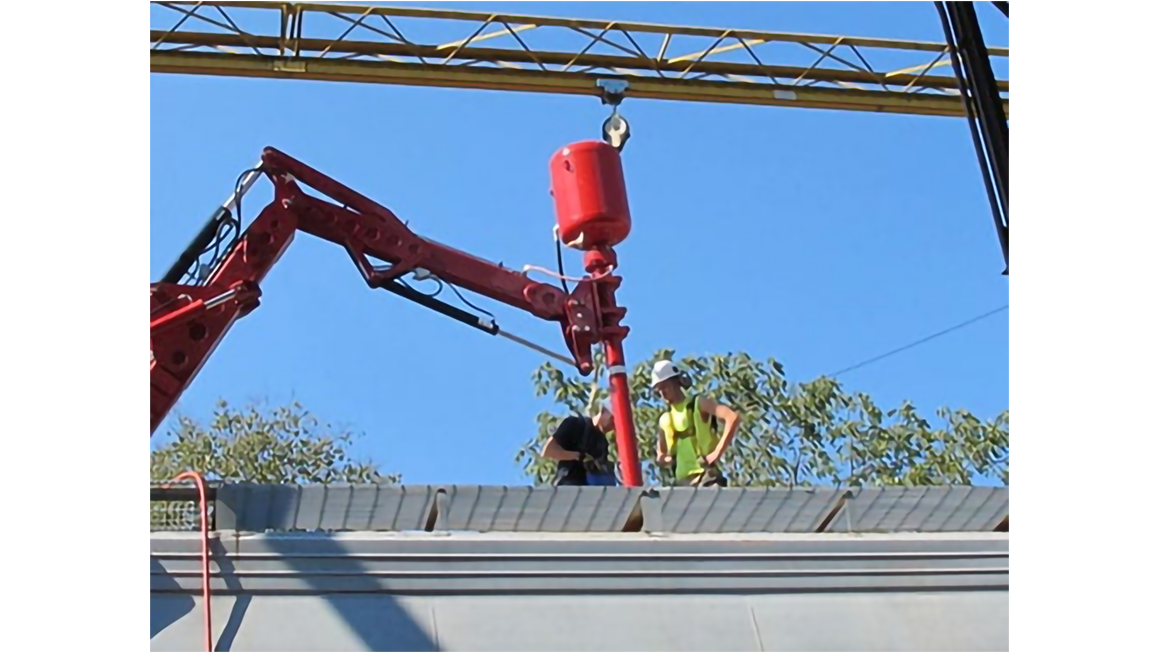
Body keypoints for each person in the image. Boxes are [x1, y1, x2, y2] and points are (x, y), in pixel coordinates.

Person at [651, 359, 741, 487]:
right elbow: (660, 455)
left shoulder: (698, 404)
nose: (662, 393)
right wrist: (667, 459)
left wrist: (717, 453)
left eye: (664, 386)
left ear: (677, 382)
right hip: (682, 485)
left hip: (706, 478)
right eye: (658, 389)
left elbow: (732, 417)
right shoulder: (664, 420)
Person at [541, 404, 618, 486]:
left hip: (592, 487)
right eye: (612, 419)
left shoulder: (603, 443)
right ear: (603, 412)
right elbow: (548, 450)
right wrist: (578, 456)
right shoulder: (575, 424)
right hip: (570, 482)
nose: (612, 426)